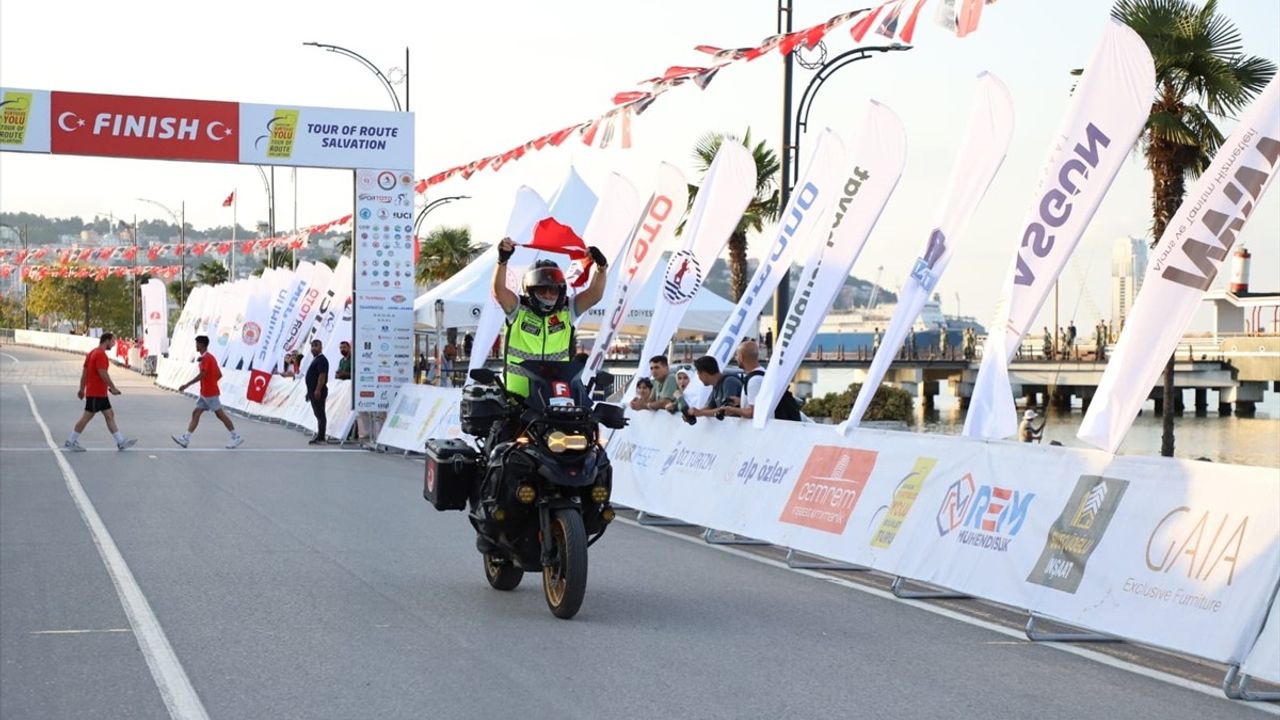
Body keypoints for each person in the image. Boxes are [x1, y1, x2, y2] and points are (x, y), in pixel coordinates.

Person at [492, 236, 608, 401]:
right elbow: (499, 291)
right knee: (502, 427)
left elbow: (595, 294)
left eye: (553, 290)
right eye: (542, 290)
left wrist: (601, 268)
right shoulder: (518, 310)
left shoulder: (567, 311)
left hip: (557, 396)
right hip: (518, 398)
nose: (548, 295)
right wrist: (502, 261)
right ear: (530, 290)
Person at [64, 332, 136, 451]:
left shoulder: (92, 353)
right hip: (96, 393)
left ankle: (120, 441)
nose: (113, 345)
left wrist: (82, 389)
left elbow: (85, 373)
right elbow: (102, 372)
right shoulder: (100, 354)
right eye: (113, 341)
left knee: (109, 414)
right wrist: (112, 387)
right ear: (106, 340)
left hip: (98, 393)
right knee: (87, 417)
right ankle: (71, 441)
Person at [172, 335, 244, 449]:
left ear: (202, 345)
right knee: (196, 413)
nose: (196, 346)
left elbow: (203, 374)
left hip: (210, 393)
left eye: (197, 343)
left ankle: (236, 436)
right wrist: (211, 381)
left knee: (220, 415)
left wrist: (187, 385)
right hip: (206, 393)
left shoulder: (206, 359)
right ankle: (186, 438)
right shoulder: (209, 358)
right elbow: (219, 375)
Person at [685, 355, 742, 421]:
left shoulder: (729, 382)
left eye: (698, 374)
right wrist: (692, 413)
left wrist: (700, 413)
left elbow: (727, 410)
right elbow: (709, 407)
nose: (699, 378)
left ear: (704, 373)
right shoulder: (716, 385)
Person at [721, 340, 764, 419]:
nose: (736, 358)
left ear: (741, 357)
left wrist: (733, 410)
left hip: (755, 430)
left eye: (736, 355)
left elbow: (753, 412)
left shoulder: (754, 381)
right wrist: (740, 401)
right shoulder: (762, 374)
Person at [305, 339, 329, 445]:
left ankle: (321, 437)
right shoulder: (315, 359)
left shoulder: (322, 360)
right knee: (317, 414)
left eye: (316, 345)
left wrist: (318, 389)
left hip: (318, 391)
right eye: (312, 346)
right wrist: (308, 392)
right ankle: (320, 435)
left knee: (320, 414)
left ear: (321, 347)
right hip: (313, 391)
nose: (313, 348)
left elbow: (322, 375)